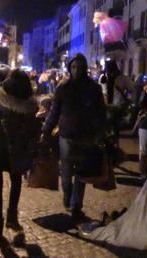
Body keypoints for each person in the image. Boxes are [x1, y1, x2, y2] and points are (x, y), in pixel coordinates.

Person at [0, 69, 41, 240]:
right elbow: (34, 130)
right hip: (17, 147)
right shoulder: (29, 106)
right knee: (16, 180)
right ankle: (12, 218)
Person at [42, 53, 106, 224]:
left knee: (81, 174)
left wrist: (101, 133)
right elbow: (55, 112)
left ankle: (76, 205)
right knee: (66, 172)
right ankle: (67, 196)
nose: (76, 70)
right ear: (70, 68)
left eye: (79, 67)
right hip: (66, 136)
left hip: (86, 137)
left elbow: (101, 113)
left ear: (85, 68)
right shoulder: (63, 88)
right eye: (73, 67)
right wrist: (46, 130)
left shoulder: (93, 88)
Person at [104, 60, 134, 144]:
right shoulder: (105, 78)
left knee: (111, 122)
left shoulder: (122, 78)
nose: (109, 72)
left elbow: (132, 89)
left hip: (118, 106)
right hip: (107, 106)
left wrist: (128, 99)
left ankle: (114, 142)